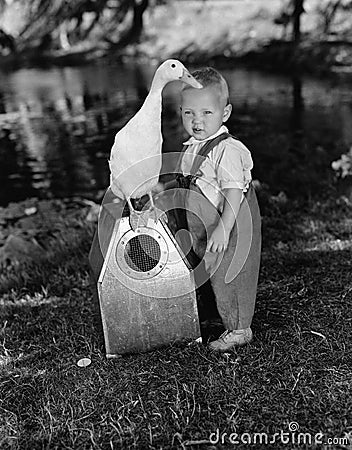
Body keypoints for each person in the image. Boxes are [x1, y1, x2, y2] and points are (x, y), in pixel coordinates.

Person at [157, 67, 261, 351]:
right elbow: (187, 183)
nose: (197, 121)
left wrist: (224, 229)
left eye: (206, 113)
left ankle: (239, 328)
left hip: (228, 226)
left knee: (231, 273)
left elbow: (232, 192)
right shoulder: (192, 147)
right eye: (189, 113)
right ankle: (216, 314)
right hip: (202, 224)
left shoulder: (227, 150)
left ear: (225, 113)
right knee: (206, 270)